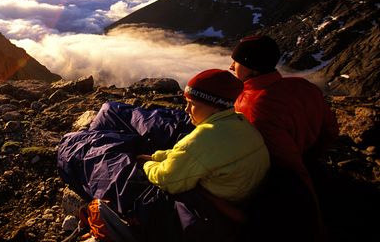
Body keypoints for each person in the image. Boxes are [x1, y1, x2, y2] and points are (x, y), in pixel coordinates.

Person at [229, 35, 339, 196]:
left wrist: (307, 196)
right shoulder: (304, 86)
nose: (231, 67)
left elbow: (284, 162)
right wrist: (311, 158)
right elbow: (330, 129)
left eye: (236, 62)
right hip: (311, 161)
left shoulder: (252, 105)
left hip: (282, 185)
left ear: (252, 67)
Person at [139, 69, 270, 202]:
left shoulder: (203, 138)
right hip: (246, 193)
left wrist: (146, 164)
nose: (186, 109)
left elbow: (166, 180)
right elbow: (192, 155)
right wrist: (157, 156)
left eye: (192, 104)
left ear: (215, 106)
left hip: (223, 203)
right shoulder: (240, 121)